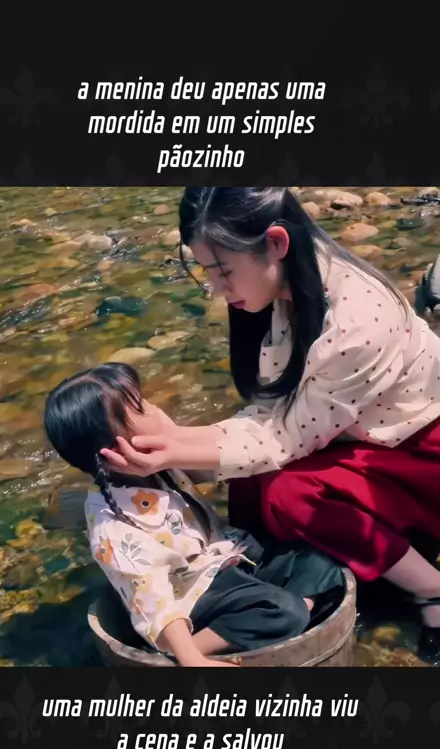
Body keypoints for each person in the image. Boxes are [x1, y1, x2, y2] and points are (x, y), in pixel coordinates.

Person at [100, 187, 440, 663]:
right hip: (359, 433)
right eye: (207, 272)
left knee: (286, 492)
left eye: (222, 271)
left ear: (276, 243)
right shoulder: (287, 285)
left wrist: (174, 450)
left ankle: (429, 588)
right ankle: (303, 579)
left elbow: (284, 438)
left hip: (419, 450)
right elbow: (272, 414)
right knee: (249, 481)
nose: (216, 288)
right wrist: (174, 438)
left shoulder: (358, 321)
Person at [43, 362, 345, 668]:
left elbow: (227, 457)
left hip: (222, 562)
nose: (156, 409)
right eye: (142, 408)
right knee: (282, 610)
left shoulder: (153, 465)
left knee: (319, 564)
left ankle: (280, 619)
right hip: (189, 601)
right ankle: (186, 654)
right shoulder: (115, 527)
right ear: (115, 452)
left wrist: (179, 443)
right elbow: (154, 600)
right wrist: (189, 658)